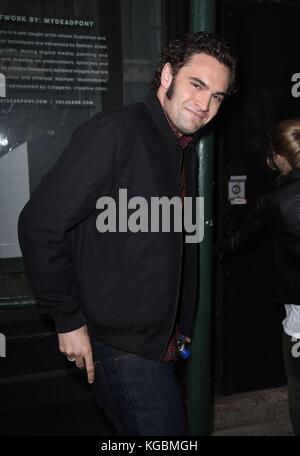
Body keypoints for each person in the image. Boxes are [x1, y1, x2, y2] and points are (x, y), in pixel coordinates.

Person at [18, 32, 235, 435]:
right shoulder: (116, 131)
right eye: (197, 84)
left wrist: (181, 330)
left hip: (157, 345)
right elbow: (39, 224)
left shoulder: (178, 145)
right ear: (168, 76)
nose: (205, 104)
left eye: (218, 96)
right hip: (120, 347)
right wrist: (67, 320)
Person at [221, 118, 300, 436]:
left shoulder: (273, 202)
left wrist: (200, 251)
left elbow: (236, 243)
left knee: (298, 389)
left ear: (279, 157)